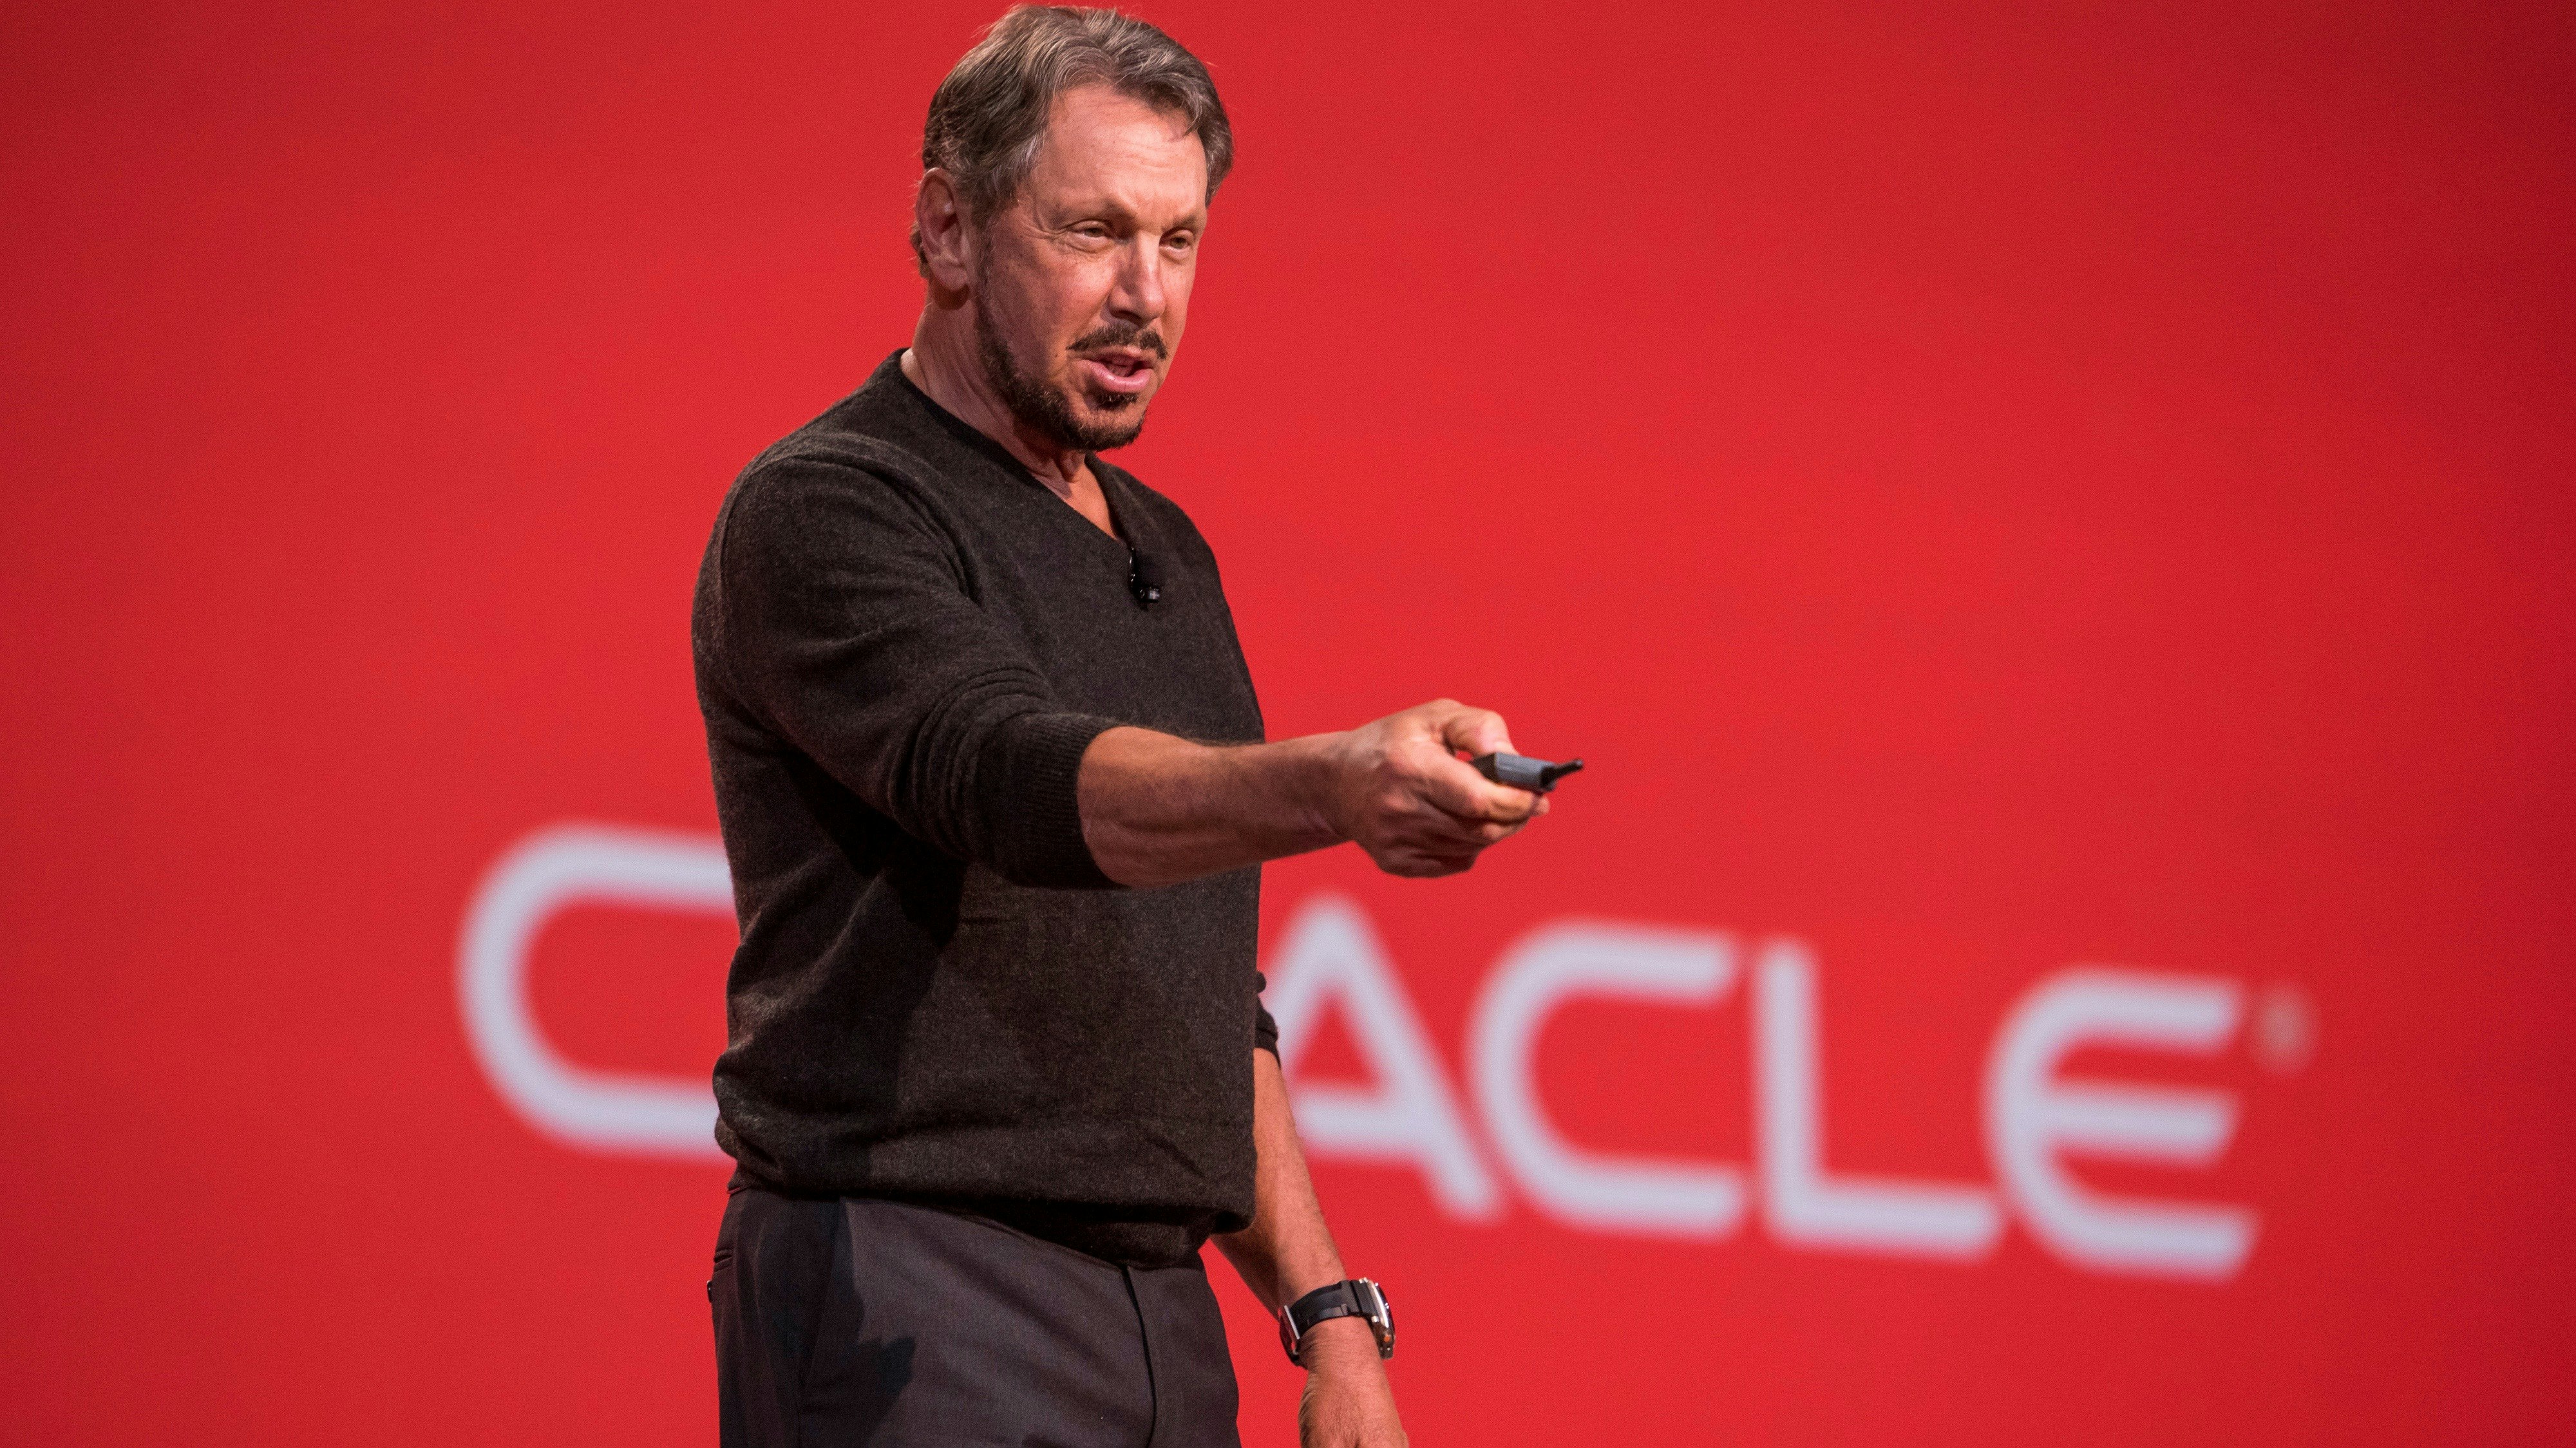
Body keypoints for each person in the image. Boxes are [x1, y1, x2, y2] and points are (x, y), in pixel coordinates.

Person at [692, 8, 1548, 1445]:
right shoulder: (831, 510)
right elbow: (1012, 782)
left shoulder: (1168, 551)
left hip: (1162, 1322)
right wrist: (1334, 781)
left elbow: (1209, 994)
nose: (1144, 293)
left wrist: (1329, 1322)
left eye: (1179, 239)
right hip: (917, 1279)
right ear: (948, 231)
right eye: (1091, 231)